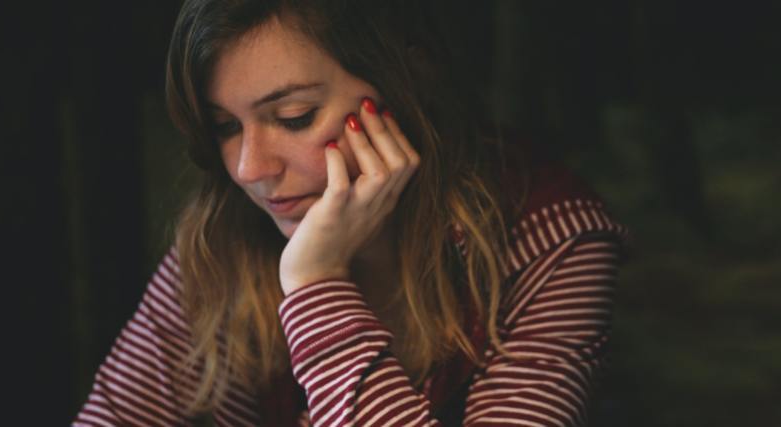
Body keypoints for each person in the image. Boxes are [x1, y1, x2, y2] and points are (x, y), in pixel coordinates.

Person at [73, 0, 630, 425]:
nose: (248, 168)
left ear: (410, 78)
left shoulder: (554, 240)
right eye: (225, 127)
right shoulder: (225, 232)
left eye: (294, 117)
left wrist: (315, 285)